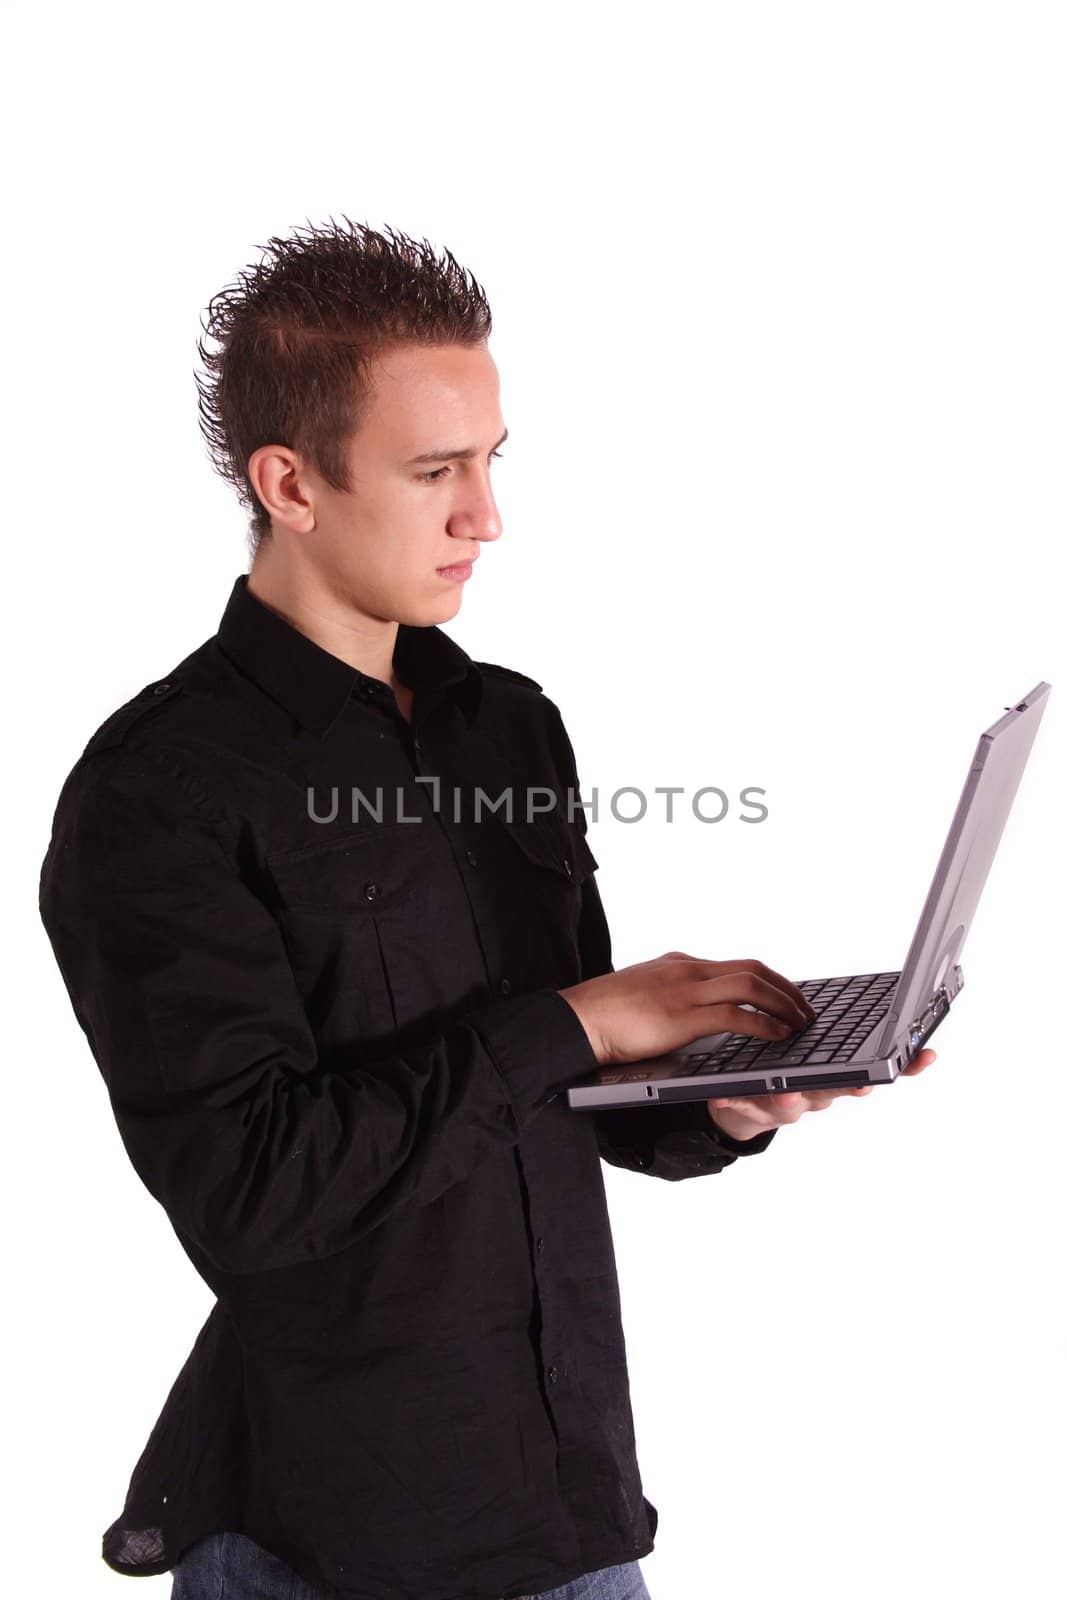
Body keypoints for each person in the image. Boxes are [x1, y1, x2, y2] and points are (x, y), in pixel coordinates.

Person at [37, 218, 935, 1600]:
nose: (486, 515)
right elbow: (251, 1193)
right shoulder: (159, 792)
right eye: (434, 470)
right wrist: (575, 1022)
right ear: (292, 482)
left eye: (491, 460)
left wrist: (721, 1102)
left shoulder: (508, 730)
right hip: (331, 1539)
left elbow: (561, 1094)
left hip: (568, 1511)